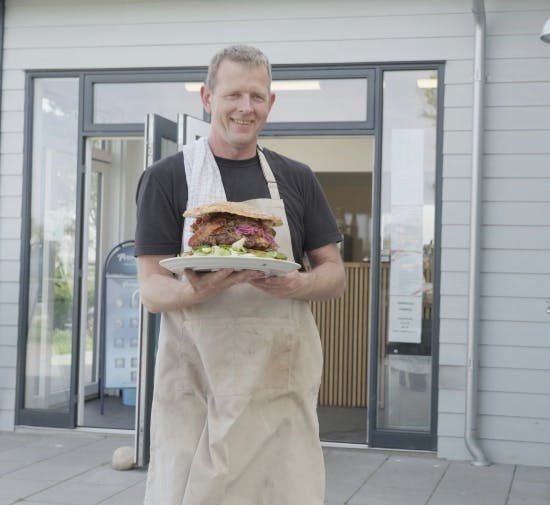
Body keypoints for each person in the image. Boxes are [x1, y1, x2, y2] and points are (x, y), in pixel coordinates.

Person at [135, 44, 345, 505]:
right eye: (233, 95)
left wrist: (299, 283)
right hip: (199, 383)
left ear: (271, 103)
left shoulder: (298, 178)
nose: (244, 108)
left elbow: (334, 273)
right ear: (208, 98)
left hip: (276, 386)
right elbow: (151, 288)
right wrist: (197, 290)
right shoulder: (167, 178)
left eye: (256, 96)